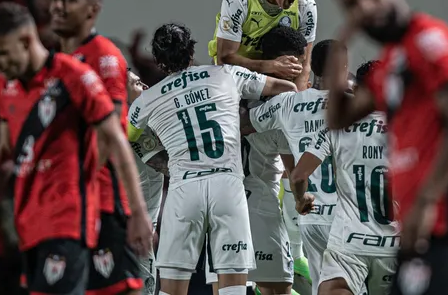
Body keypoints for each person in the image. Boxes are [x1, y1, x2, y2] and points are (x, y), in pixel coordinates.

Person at [326, 0, 448, 295]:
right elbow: (338, 118)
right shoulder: (389, 61)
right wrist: (345, 39)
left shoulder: (429, 38)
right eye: (352, 3)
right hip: (417, 223)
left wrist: (429, 200)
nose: (366, 6)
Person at [0, 2, 154, 295]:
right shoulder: (4, 85)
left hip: (70, 216)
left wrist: (137, 214)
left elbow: (115, 139)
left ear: (27, 41)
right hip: (29, 221)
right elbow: (7, 146)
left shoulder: (74, 76)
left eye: (1, 53)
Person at [127, 23, 297, 295]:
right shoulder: (227, 74)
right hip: (227, 186)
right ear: (192, 51)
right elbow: (284, 87)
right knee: (232, 286)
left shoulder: (146, 100)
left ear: (159, 61)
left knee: (171, 289)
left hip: (184, 187)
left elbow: (128, 134)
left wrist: (154, 155)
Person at [50, 0, 146, 295]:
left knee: (122, 288)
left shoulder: (104, 55)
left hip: (103, 198)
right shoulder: (57, 63)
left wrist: (80, 184)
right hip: (70, 203)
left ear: (92, 10)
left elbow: (110, 133)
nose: (59, 6)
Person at [206, 26, 307, 295]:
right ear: (291, 62)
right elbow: (293, 169)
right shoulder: (286, 103)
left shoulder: (226, 91)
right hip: (260, 206)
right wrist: (300, 199)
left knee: (225, 289)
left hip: (220, 205)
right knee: (277, 291)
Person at [245, 38, 344, 295]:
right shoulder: (354, 107)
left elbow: (245, 123)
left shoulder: (288, 103)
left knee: (323, 287)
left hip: (311, 215)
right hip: (349, 215)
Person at [288, 60, 396, 295]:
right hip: (394, 245)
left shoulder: (337, 126)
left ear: (356, 90)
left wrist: (300, 200)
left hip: (349, 243)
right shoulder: (408, 129)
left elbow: (298, 176)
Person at [208, 0, 317, 91]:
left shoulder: (306, 6)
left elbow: (305, 64)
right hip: (233, 78)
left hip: (276, 81)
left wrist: (297, 102)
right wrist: (271, 66)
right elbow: (225, 58)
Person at [127, 70, 169, 295]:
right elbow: (164, 165)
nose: (144, 86)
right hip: (135, 236)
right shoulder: (134, 125)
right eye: (136, 83)